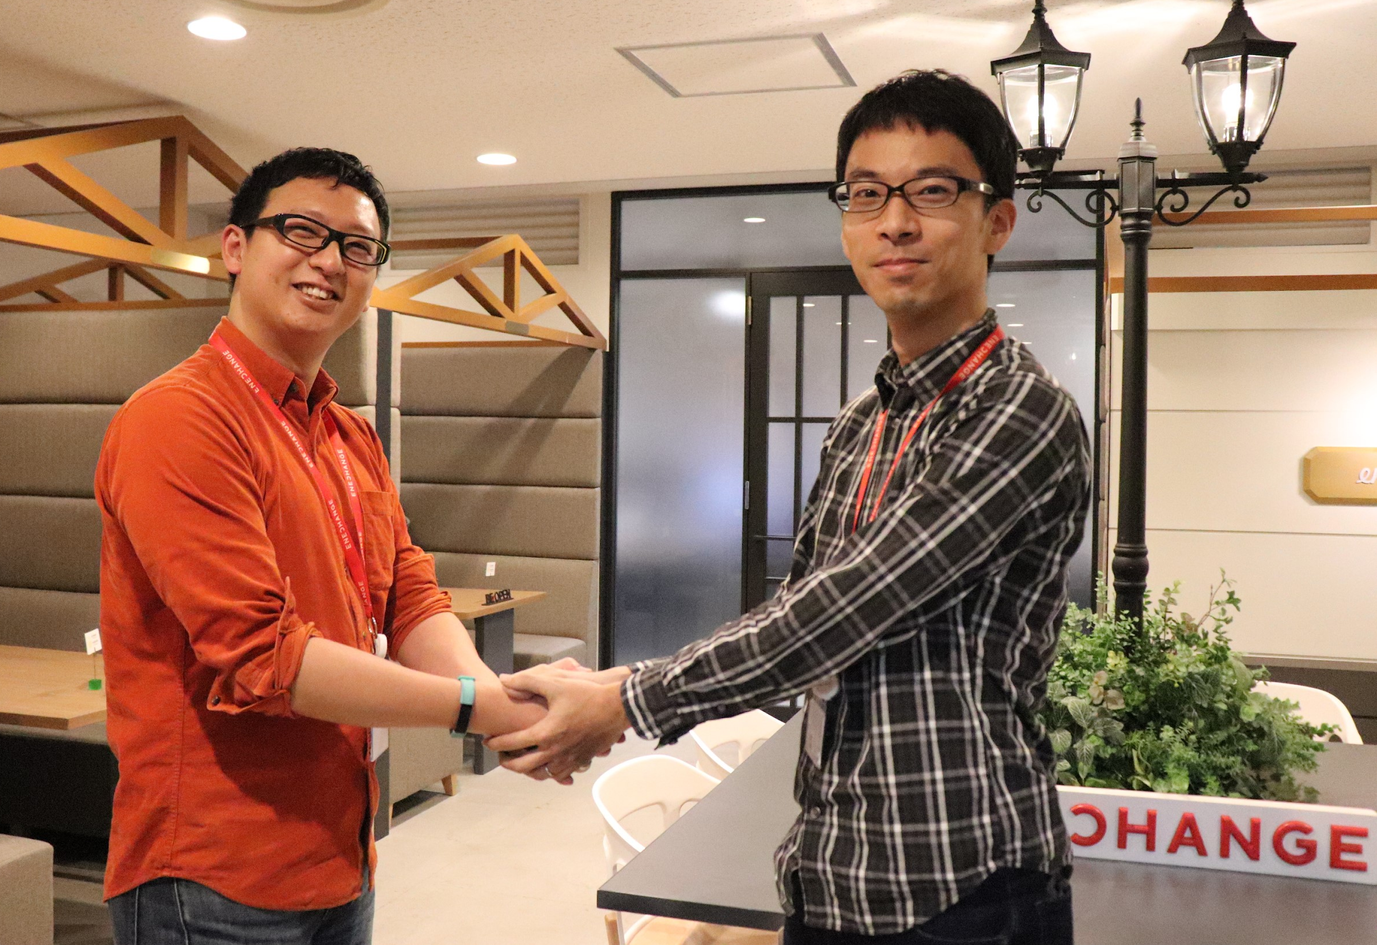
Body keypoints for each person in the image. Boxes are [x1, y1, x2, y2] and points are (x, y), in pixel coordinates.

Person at [489, 70, 1093, 944]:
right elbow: (797, 612)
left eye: (931, 191)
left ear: (996, 220)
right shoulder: (862, 420)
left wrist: (629, 697)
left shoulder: (1019, 410)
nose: (894, 221)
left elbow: (843, 612)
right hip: (829, 861)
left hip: (963, 882)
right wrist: (615, 688)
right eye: (866, 194)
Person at [95, 147, 545, 945]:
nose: (331, 261)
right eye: (303, 231)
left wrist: (494, 702)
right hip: (213, 875)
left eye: (358, 247)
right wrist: (478, 707)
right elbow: (263, 655)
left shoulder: (348, 434)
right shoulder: (180, 418)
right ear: (236, 248)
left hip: (341, 852)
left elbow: (410, 596)